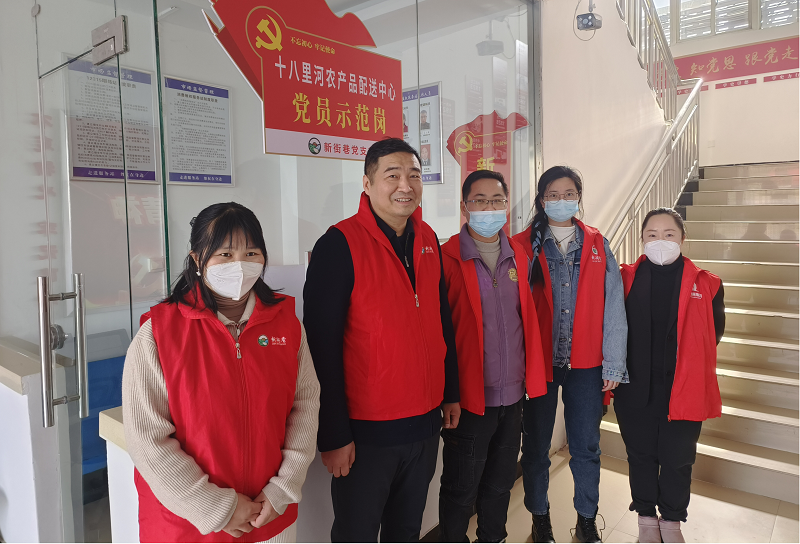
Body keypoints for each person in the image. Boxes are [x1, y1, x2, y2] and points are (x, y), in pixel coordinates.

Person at [122, 202, 320, 543]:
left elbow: (305, 405)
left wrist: (282, 489)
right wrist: (217, 508)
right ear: (197, 259)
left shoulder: (287, 325)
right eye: (225, 254)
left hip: (270, 516)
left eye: (251, 253)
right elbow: (147, 439)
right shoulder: (158, 334)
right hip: (192, 526)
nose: (239, 265)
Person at [303, 137, 461, 542]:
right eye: (392, 175)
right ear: (367, 183)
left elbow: (441, 321)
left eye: (414, 175)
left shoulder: (428, 239)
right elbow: (321, 347)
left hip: (424, 425)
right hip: (367, 434)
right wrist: (333, 434)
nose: (405, 185)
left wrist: (450, 392)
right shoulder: (338, 244)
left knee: (405, 531)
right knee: (356, 534)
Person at [512, 166, 628, 543]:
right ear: (541, 200)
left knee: (586, 447)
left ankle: (586, 520)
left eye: (569, 194)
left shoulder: (596, 243)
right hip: (539, 364)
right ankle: (540, 518)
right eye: (553, 194)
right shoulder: (522, 245)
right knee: (536, 447)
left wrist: (613, 363)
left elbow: (614, 305)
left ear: (578, 197)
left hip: (586, 365)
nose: (561, 201)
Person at [439, 170, 548, 543]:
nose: (489, 208)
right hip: (470, 400)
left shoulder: (518, 254)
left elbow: (524, 320)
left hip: (513, 396)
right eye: (480, 200)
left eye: (497, 200)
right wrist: (449, 393)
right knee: (461, 488)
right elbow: (442, 333)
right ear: (464, 207)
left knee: (501, 484)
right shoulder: (446, 258)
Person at [615, 208, 725, 544]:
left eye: (669, 234)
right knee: (641, 456)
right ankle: (646, 518)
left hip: (684, 387)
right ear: (642, 239)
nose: (660, 241)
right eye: (652, 234)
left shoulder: (708, 284)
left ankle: (673, 520)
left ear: (682, 239)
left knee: (679, 459)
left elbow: (714, 333)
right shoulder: (623, 278)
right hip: (636, 388)